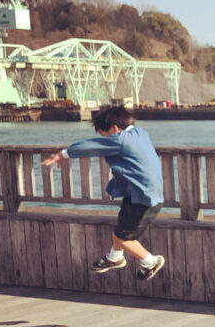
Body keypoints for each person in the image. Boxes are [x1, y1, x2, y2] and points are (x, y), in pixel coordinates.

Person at [41, 105, 166, 280]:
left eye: (103, 133)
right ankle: (114, 257)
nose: (104, 139)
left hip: (143, 199)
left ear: (114, 128)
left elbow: (92, 146)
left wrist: (63, 154)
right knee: (120, 230)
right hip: (141, 194)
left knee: (124, 238)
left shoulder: (122, 139)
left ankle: (150, 261)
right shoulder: (140, 134)